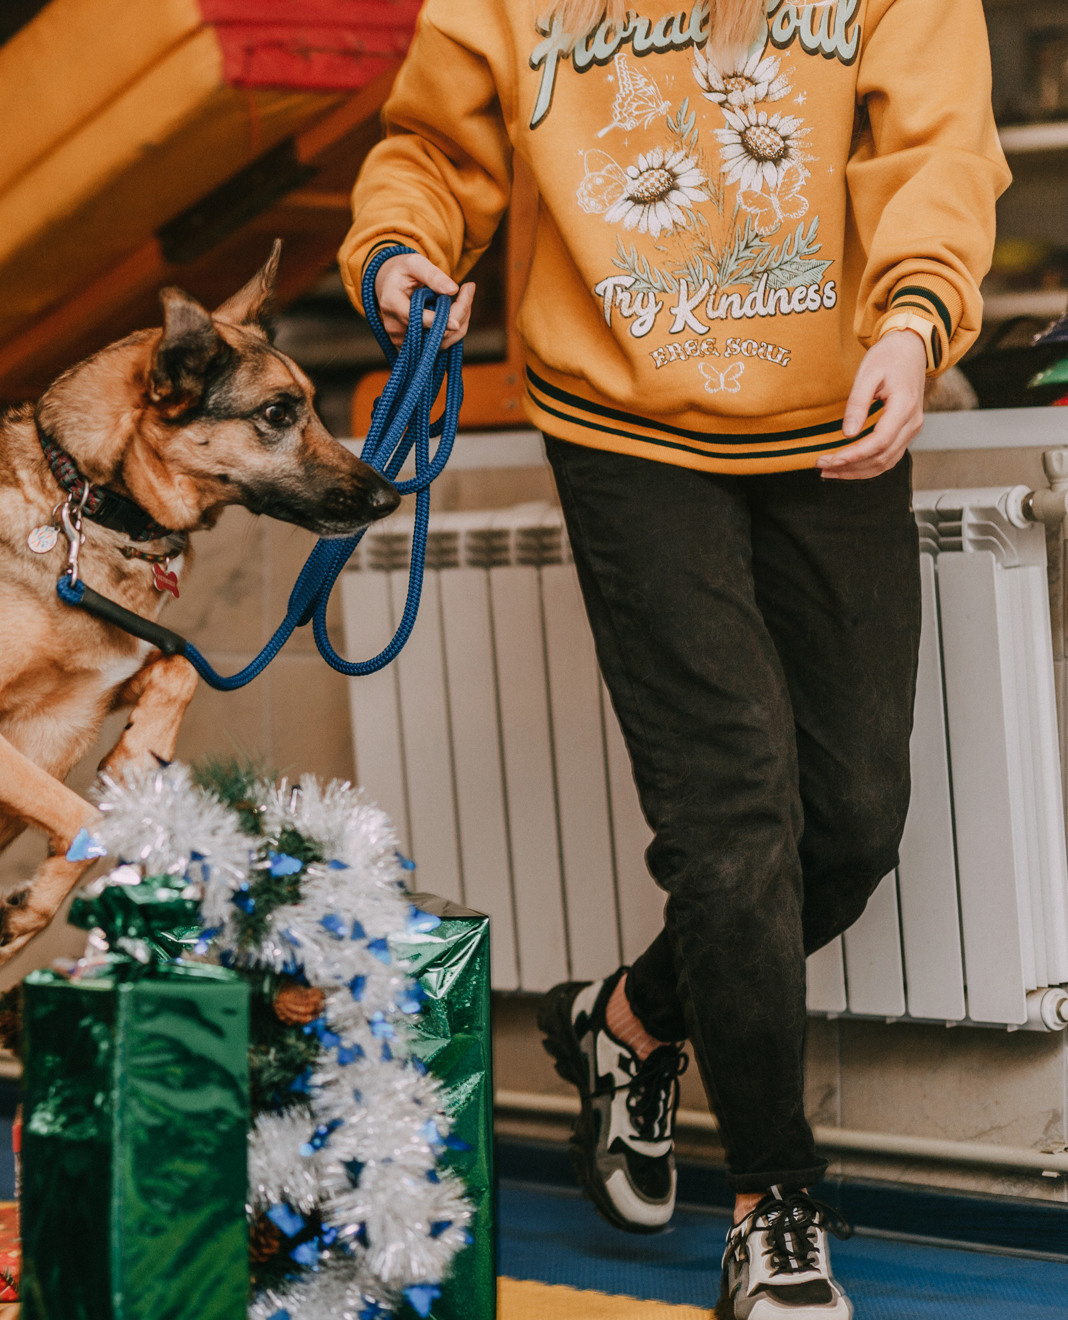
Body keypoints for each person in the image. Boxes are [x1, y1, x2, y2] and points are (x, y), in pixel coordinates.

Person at [339, 2, 1008, 1316]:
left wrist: (914, 319)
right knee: (734, 822)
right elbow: (433, 145)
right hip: (624, 428)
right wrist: (401, 250)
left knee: (853, 821)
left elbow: (936, 145)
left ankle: (630, 1020)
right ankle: (774, 1205)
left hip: (836, 409)